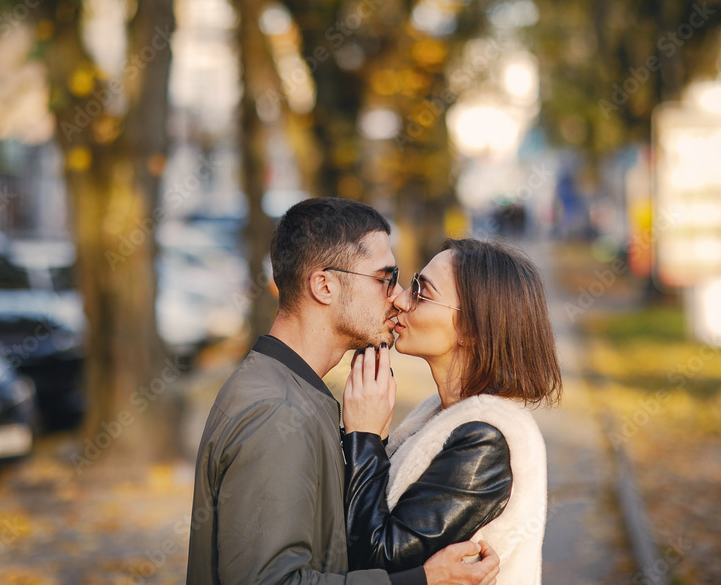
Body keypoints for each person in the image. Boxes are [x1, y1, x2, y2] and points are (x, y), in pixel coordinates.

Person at [186, 198, 501, 585]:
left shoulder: (293, 392)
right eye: (385, 277)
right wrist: (419, 580)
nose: (397, 295)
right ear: (324, 285)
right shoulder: (277, 411)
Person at [342, 238, 563, 584]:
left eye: (421, 291)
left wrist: (365, 437)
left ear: (472, 331)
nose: (400, 298)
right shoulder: (441, 416)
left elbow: (378, 560)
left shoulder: (485, 440)